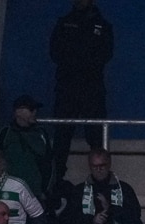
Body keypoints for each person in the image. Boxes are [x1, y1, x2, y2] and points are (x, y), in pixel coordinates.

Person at [49, 0, 114, 155]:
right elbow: (55, 52)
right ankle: (57, 177)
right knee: (62, 135)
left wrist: (83, 63)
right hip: (67, 88)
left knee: (96, 137)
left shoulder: (103, 26)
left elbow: (105, 54)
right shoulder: (64, 23)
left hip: (92, 89)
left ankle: (99, 178)